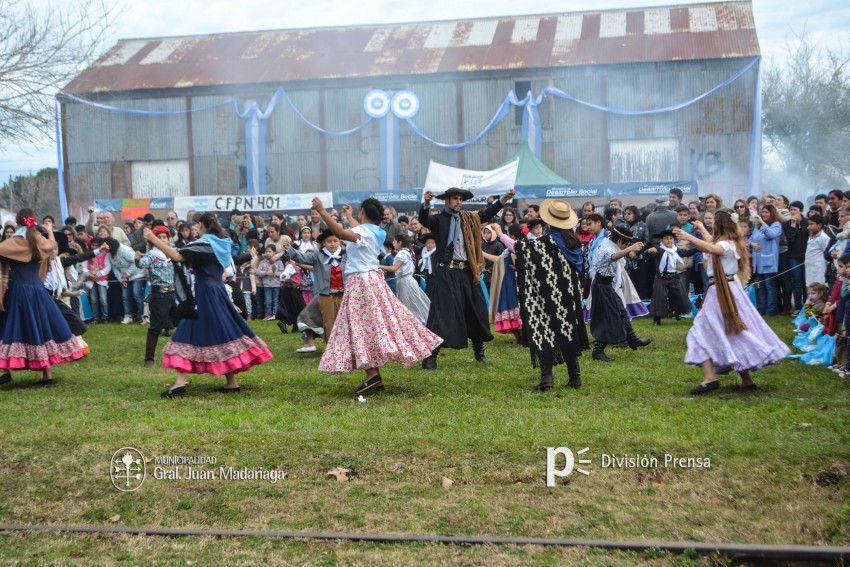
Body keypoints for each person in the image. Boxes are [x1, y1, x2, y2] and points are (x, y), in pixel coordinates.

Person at [312, 197, 442, 394]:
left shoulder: (362, 232)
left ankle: (373, 375)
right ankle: (374, 375)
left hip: (361, 282)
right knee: (378, 323)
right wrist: (349, 216)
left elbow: (341, 233)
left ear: (362, 211)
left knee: (358, 327)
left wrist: (322, 211)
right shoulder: (377, 231)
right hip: (372, 280)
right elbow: (358, 230)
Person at [143, 213, 273, 397]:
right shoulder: (223, 242)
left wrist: (153, 238)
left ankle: (180, 382)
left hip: (205, 293)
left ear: (203, 225)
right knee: (223, 331)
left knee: (185, 333)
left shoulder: (204, 243)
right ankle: (231, 382)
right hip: (218, 291)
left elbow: (177, 256)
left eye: (198, 225)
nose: (196, 229)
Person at [673, 210, 790, 394]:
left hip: (721, 292)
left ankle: (710, 378)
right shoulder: (731, 242)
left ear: (720, 225)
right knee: (732, 331)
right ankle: (746, 380)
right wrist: (702, 229)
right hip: (728, 290)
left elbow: (712, 248)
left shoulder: (726, 244)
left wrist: (688, 236)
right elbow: (712, 242)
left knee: (701, 331)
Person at [418, 187, 517, 369]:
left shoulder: (468, 218)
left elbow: (487, 214)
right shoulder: (439, 220)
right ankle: (430, 358)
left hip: (467, 271)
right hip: (446, 272)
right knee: (442, 313)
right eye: (455, 199)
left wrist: (503, 199)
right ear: (446, 201)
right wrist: (425, 204)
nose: (458, 202)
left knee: (477, 309)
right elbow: (424, 219)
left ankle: (479, 353)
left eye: (460, 199)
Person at [0, 211, 86, 386]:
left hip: (19, 290)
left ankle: (6, 370)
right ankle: (47, 374)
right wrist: (50, 231)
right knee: (41, 326)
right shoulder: (39, 241)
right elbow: (51, 245)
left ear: (17, 224)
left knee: (12, 326)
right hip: (38, 290)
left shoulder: (14, 243)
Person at [514, 199, 588, 391]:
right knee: (568, 330)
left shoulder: (547, 242)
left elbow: (523, 250)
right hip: (570, 297)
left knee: (544, 327)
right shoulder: (574, 242)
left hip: (549, 295)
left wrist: (507, 237)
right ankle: (575, 377)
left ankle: (547, 378)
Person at [588, 225, 651, 362]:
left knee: (621, 311)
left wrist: (630, 248)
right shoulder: (606, 247)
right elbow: (613, 256)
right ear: (619, 241)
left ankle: (632, 339)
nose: (626, 246)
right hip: (601, 287)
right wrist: (630, 249)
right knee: (609, 317)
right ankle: (598, 351)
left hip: (606, 286)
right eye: (626, 243)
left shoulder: (609, 244)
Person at [286, 228, 347, 353]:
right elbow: (301, 258)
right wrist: (290, 249)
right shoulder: (318, 256)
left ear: (340, 241)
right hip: (327, 295)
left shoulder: (346, 255)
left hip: (345, 295)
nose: (333, 244)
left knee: (345, 321)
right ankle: (333, 349)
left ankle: (347, 347)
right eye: (329, 241)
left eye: (335, 241)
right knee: (329, 321)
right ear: (323, 243)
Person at [136, 226, 176, 368]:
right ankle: (149, 359)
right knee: (155, 328)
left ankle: (181, 355)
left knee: (183, 323)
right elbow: (142, 263)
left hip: (173, 293)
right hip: (159, 295)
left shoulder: (172, 253)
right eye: (159, 237)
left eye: (165, 237)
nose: (162, 239)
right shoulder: (152, 255)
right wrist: (137, 259)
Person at [380, 233, 431, 324]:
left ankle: (415, 325)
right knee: (413, 303)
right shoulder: (409, 252)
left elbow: (394, 268)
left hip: (405, 281)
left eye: (394, 241)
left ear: (399, 242)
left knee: (409, 305)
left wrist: (379, 266)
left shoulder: (402, 253)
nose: (393, 243)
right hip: (408, 280)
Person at [647, 229, 694, 325]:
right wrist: (650, 251)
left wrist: (698, 248)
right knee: (659, 298)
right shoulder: (658, 249)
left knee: (680, 296)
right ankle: (657, 319)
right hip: (661, 278)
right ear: (661, 240)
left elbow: (686, 253)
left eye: (671, 238)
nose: (669, 240)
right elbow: (648, 254)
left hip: (673, 277)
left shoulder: (675, 250)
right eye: (666, 238)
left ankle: (677, 312)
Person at [749, 204, 782, 316]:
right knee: (761, 286)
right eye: (762, 212)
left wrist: (762, 223)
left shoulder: (776, 225)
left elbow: (770, 235)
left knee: (770, 286)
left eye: (766, 212)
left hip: (768, 262)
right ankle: (762, 308)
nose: (763, 214)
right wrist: (751, 244)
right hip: (758, 262)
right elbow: (750, 240)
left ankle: (771, 310)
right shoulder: (757, 227)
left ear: (772, 213)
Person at [804, 214, 829, 286]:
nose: (808, 227)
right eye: (808, 224)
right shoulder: (811, 236)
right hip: (810, 269)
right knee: (811, 290)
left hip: (819, 270)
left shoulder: (823, 237)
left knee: (819, 291)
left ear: (819, 225)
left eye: (811, 224)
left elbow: (827, 254)